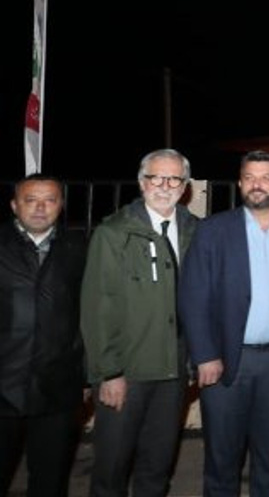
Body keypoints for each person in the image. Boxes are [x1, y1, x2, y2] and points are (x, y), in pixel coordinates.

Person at [179, 150, 269, 497]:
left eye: (266, 178)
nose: (258, 185)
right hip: (227, 361)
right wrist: (205, 355)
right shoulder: (213, 230)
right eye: (250, 178)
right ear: (241, 183)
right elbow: (193, 296)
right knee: (222, 460)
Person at [83, 149, 198, 497]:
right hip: (126, 374)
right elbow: (97, 308)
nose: (164, 185)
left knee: (157, 466)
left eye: (173, 178)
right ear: (141, 182)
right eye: (155, 177)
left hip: (174, 372)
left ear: (185, 186)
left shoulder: (196, 231)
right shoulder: (114, 233)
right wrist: (108, 372)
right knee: (111, 470)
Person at [1, 174, 87, 497]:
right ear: (14, 205)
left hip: (57, 388)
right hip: (2, 385)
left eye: (49, 200)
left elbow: (89, 313)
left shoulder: (79, 248)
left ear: (61, 206)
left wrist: (86, 374)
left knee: (50, 483)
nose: (40, 208)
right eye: (30, 200)